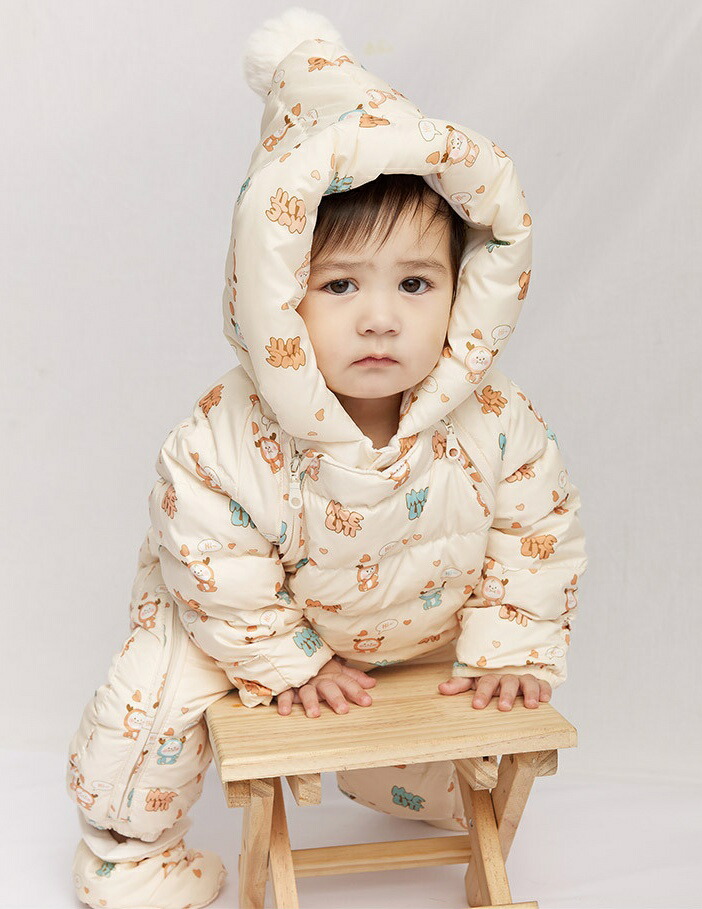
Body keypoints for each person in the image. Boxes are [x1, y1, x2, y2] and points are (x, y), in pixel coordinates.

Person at [66, 8, 588, 908]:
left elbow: (536, 528)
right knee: (157, 688)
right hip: (247, 614)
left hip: (408, 611)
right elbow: (213, 560)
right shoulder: (223, 436)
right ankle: (130, 854)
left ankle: (414, 788)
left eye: (415, 283)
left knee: (485, 685)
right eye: (340, 284)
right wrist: (287, 656)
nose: (380, 318)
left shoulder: (498, 419)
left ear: (468, 290)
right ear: (275, 296)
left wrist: (511, 640)